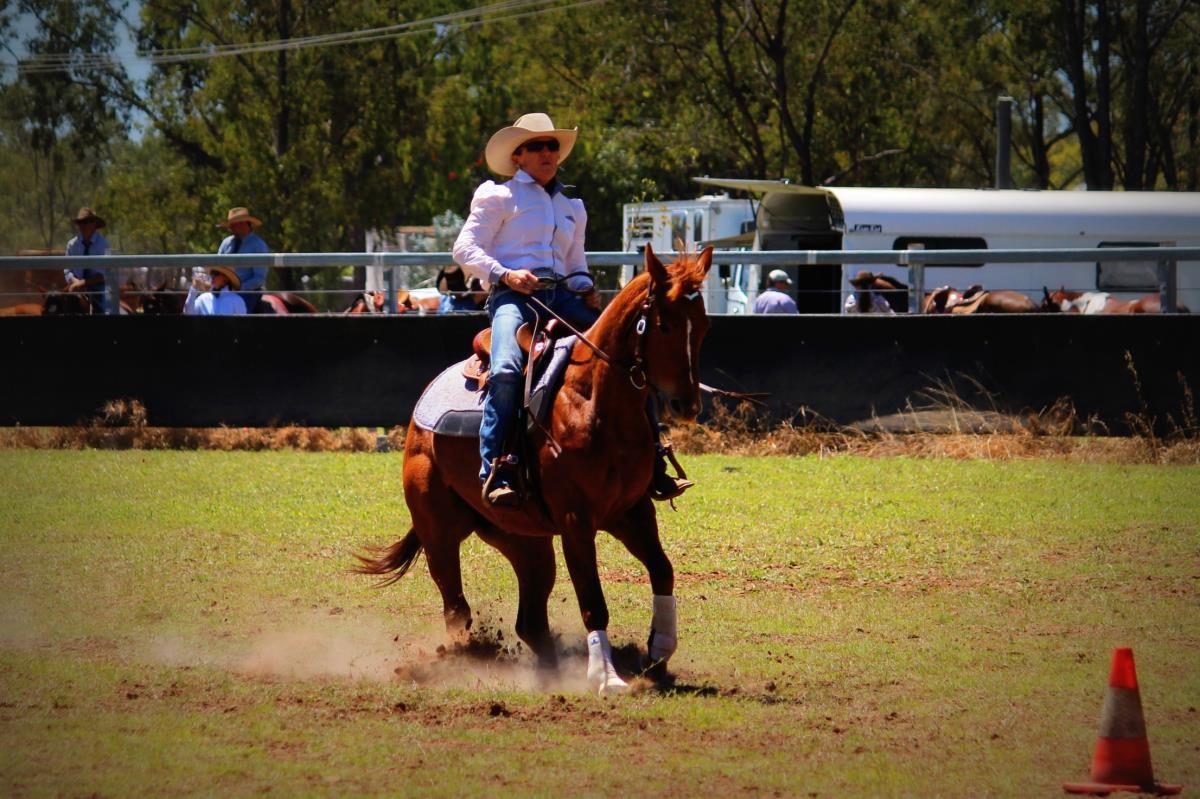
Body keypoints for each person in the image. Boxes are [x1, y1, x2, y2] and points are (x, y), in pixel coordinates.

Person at [453, 112, 691, 507]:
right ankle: (496, 467)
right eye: (536, 146)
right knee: (508, 369)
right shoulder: (498, 196)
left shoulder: (572, 206)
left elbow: (575, 263)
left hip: (563, 297)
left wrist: (584, 287)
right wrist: (506, 274)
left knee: (629, 358)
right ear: (517, 157)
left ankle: (654, 459)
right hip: (514, 298)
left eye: (552, 146)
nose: (547, 152)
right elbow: (464, 249)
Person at [216, 207, 270, 311]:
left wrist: (237, 288)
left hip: (248, 292)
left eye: (234, 224)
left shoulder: (258, 245)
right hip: (224, 289)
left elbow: (259, 278)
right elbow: (218, 267)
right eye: (231, 225)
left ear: (245, 224)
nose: (231, 228)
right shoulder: (226, 243)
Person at [63, 207, 110, 313]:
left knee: (102, 310)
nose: (82, 226)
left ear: (94, 224)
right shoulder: (72, 244)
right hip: (75, 287)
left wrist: (81, 283)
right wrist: (75, 282)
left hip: (97, 288)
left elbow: (102, 275)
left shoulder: (103, 244)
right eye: (80, 223)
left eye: (86, 222)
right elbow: (67, 270)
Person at [184, 266, 248, 315]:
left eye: (216, 274)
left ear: (226, 278)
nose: (212, 276)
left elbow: (241, 324)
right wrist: (194, 288)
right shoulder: (203, 298)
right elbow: (188, 314)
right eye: (212, 273)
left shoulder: (237, 300)